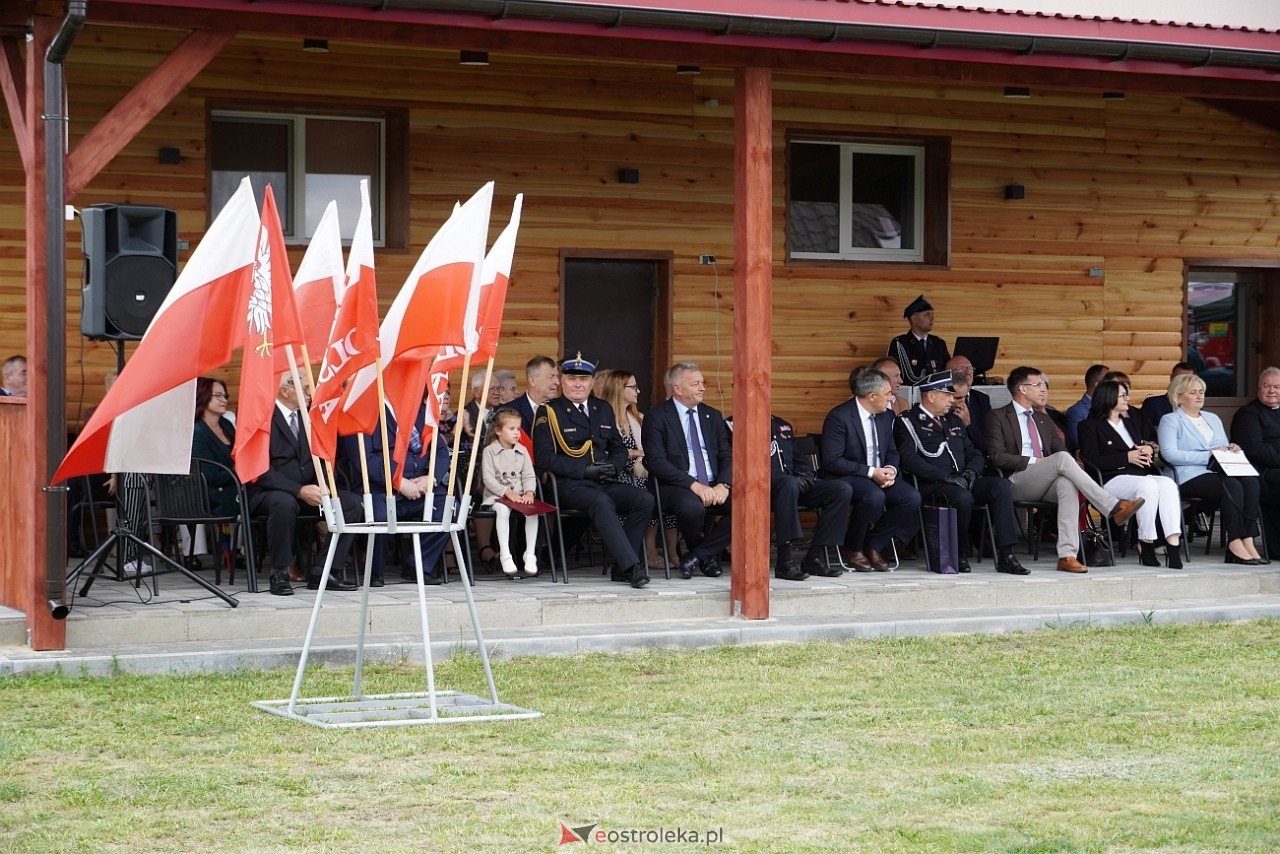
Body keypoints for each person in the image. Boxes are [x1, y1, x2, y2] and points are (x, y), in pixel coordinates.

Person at [985, 366, 1145, 573]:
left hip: (1045, 480)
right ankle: (1112, 506)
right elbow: (997, 456)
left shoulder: (1043, 419)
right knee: (1061, 459)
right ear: (1022, 389)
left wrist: (1055, 464)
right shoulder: (997, 416)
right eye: (1038, 385)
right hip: (1016, 480)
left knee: (1066, 483)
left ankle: (1067, 555)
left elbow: (1061, 450)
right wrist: (1037, 461)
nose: (1043, 389)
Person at [533, 354, 654, 588]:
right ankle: (631, 566)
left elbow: (618, 448)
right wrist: (585, 470)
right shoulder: (549, 411)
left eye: (583, 379)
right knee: (600, 501)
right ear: (562, 381)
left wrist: (614, 467)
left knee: (644, 500)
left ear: (591, 382)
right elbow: (544, 457)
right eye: (572, 379)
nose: (578, 384)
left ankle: (620, 567)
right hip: (570, 484)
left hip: (604, 480)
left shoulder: (602, 408)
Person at [895, 371, 1028, 575]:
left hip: (963, 480)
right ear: (931, 396)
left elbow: (974, 452)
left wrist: (972, 472)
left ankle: (1006, 554)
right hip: (933, 484)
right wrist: (945, 477)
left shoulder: (953, 420)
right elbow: (908, 459)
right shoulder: (908, 421)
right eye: (947, 395)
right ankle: (959, 553)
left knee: (1000, 485)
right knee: (962, 497)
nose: (952, 400)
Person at [246, 373, 362, 595]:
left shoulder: (310, 417)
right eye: (306, 388)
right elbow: (259, 469)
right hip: (270, 492)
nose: (310, 394)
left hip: (309, 491)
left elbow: (322, 456)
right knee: (284, 502)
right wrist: (298, 490)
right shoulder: (262, 418)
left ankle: (325, 571)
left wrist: (323, 484)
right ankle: (280, 573)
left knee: (351, 504)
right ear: (285, 390)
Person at [345, 393, 455, 587]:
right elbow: (364, 459)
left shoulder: (421, 412)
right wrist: (398, 482)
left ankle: (418, 566)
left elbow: (440, 451)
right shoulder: (363, 413)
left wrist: (432, 478)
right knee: (378, 517)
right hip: (380, 488)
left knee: (449, 508)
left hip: (421, 485)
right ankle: (375, 571)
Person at [819, 366, 921, 572]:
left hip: (879, 474)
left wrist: (890, 470)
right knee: (874, 496)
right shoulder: (839, 416)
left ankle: (874, 544)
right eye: (887, 394)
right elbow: (832, 461)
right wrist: (871, 472)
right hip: (848, 476)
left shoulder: (887, 416)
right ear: (872, 396)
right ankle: (853, 546)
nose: (891, 398)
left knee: (911, 497)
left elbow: (893, 450)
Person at [1159, 372, 1265, 564]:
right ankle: (1234, 541)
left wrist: (1232, 448)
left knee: (1251, 482)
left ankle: (1247, 538)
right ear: (1178, 396)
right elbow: (1169, 454)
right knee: (1231, 485)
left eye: (1201, 391)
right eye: (1193, 392)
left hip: (1217, 471)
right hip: (1186, 475)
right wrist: (1207, 455)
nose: (1199, 396)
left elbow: (1222, 445)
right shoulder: (1170, 420)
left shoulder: (1212, 418)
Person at [1077, 380, 1183, 568]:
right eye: (1122, 395)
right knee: (1148, 486)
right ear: (1109, 398)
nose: (1128, 398)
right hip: (1109, 479)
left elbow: (1142, 444)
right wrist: (1125, 458)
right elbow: (1092, 460)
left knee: (1167, 484)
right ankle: (1146, 543)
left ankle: (1173, 543)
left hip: (1139, 475)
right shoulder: (1089, 426)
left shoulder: (1130, 423)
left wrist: (1148, 449)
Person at [642, 361, 734, 580]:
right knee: (692, 509)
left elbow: (727, 455)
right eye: (695, 384)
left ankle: (697, 556)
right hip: (675, 485)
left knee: (749, 506)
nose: (702, 388)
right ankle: (704, 555)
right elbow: (656, 462)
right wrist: (693, 485)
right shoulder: (657, 416)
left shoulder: (712, 415)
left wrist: (724, 484)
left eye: (702, 383)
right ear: (677, 389)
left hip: (714, 484)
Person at [740, 414, 851, 580]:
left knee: (841, 489)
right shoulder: (736, 424)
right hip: (761, 490)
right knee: (788, 483)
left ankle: (814, 558)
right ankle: (784, 562)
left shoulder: (782, 425)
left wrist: (806, 477)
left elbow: (799, 460)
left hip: (792, 487)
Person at [599, 369, 679, 571]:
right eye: (633, 387)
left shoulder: (639, 418)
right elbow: (604, 453)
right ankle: (648, 551)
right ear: (619, 389)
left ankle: (671, 551)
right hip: (616, 477)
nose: (638, 391)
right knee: (646, 492)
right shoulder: (604, 419)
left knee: (662, 490)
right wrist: (633, 453)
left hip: (642, 472)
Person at [480, 407, 541, 577]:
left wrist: (529, 492)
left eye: (518, 429)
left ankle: (530, 554)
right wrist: (506, 492)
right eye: (511, 428)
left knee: (532, 511)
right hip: (497, 496)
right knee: (502, 510)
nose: (516, 433)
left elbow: (529, 475)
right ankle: (505, 554)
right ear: (498, 431)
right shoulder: (489, 451)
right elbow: (488, 479)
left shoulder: (522, 450)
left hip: (519, 496)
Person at [1230, 367, 1280, 559]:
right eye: (1266, 386)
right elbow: (1256, 450)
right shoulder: (1248, 414)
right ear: (1259, 388)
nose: (1271, 391)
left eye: (1277, 386)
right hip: (1260, 473)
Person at [191, 377, 239, 517]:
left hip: (236, 487)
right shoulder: (197, 431)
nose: (224, 400)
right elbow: (209, 475)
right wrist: (240, 471)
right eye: (218, 395)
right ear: (202, 395)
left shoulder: (226, 424)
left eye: (225, 395)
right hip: (214, 497)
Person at [887, 295, 949, 386]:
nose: (932, 319)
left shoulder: (938, 343)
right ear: (914, 319)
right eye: (927, 315)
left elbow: (947, 371)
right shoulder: (900, 343)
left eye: (932, 315)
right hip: (908, 392)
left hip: (936, 392)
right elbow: (892, 373)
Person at [947, 355, 991, 448]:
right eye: (961, 369)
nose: (967, 372)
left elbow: (987, 441)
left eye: (970, 369)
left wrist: (969, 424)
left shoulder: (982, 399)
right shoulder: (943, 400)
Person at [1064, 363, 1109, 449]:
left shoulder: (1112, 408)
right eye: (1109, 381)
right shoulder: (1076, 412)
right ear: (1098, 385)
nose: (1113, 385)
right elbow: (1079, 443)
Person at [512, 355, 560, 435]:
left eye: (557, 376)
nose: (557, 382)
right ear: (532, 381)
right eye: (551, 376)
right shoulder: (509, 411)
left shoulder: (562, 410)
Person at [1141, 362, 1194, 426]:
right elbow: (1143, 430)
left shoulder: (1196, 406)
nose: (1181, 382)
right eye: (1177, 378)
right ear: (1171, 378)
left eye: (1187, 380)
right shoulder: (1153, 404)